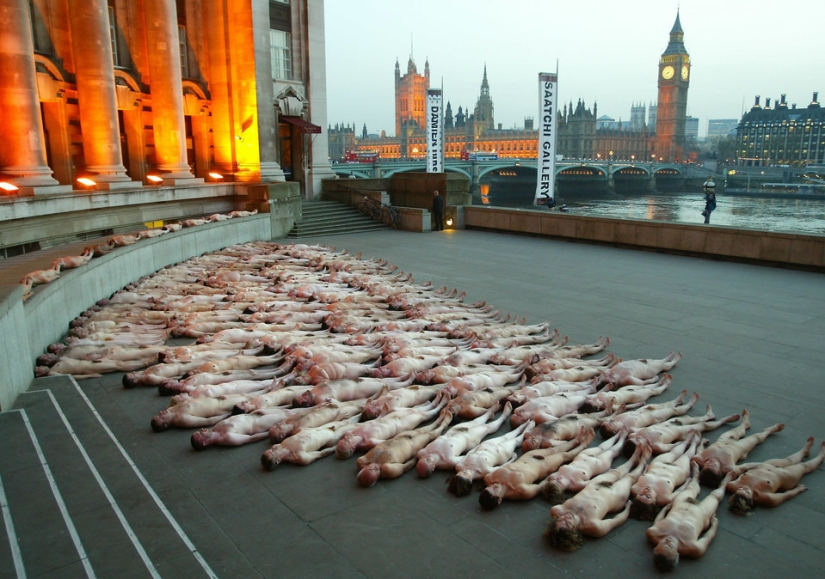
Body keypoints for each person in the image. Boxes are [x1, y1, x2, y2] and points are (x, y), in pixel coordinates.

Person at [544, 451, 647, 552]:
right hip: (614, 496)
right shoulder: (593, 526)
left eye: (560, 520)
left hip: (595, 484)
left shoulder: (558, 510)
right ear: (574, 531)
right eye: (567, 523)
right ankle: (643, 463)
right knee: (629, 478)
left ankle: (633, 458)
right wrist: (628, 507)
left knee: (616, 472)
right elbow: (616, 521)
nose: (565, 517)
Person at [646, 464, 734, 571]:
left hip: (680, 505)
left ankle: (696, 476)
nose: (668, 541)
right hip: (701, 513)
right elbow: (707, 538)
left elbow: (657, 521)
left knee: (691, 488)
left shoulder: (652, 533)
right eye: (670, 546)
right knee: (715, 496)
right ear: (677, 554)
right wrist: (714, 525)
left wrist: (664, 510)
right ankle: (724, 483)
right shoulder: (693, 549)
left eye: (663, 543)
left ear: (656, 547)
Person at [727, 437, 825, 515]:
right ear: (751, 500)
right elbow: (784, 496)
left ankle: (804, 451)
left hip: (767, 466)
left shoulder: (732, 485)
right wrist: (798, 490)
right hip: (784, 477)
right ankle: (821, 455)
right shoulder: (766, 498)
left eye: (740, 489)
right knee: (804, 467)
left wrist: (730, 475)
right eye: (747, 492)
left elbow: (725, 483)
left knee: (789, 460)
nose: (744, 487)